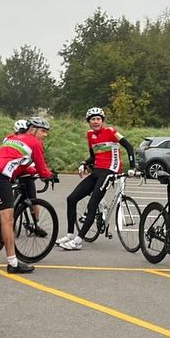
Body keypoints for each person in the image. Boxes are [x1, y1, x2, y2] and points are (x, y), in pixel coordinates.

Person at [0, 116, 54, 274]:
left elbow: (16, 161)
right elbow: (42, 169)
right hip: (0, 176)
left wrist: (31, 170)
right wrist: (50, 176)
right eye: (43, 131)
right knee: (7, 219)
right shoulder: (35, 143)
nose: (45, 135)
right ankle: (13, 263)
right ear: (32, 130)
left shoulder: (12, 138)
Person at [58, 107, 136, 251]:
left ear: (102, 120)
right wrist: (84, 163)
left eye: (98, 119)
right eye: (93, 119)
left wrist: (132, 167)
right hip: (97, 171)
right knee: (71, 199)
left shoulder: (111, 131)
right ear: (89, 122)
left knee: (92, 204)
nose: (95, 122)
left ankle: (78, 241)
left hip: (110, 171)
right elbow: (93, 157)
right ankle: (70, 235)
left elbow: (129, 147)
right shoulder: (90, 135)